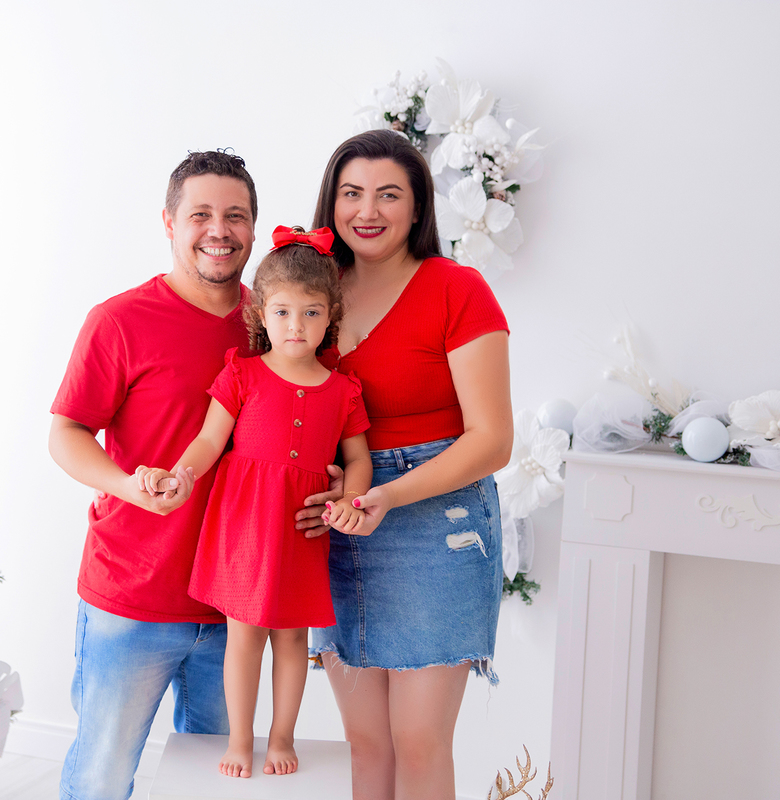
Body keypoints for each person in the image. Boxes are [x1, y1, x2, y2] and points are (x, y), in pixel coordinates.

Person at [299, 129, 514, 800]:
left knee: (419, 742)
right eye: (352, 193)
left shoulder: (457, 288)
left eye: (389, 195)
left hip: (437, 523)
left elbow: (492, 440)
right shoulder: (311, 291)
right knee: (366, 742)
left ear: (418, 206)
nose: (368, 210)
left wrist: (388, 495)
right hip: (337, 520)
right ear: (331, 203)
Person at [48, 150, 258, 800]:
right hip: (131, 597)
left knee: (218, 785)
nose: (219, 230)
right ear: (169, 222)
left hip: (236, 606)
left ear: (253, 227)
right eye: (200, 214)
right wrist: (126, 485)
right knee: (102, 778)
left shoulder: (277, 323)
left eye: (235, 215)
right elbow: (66, 433)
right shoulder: (119, 321)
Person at [137, 225, 373, 780]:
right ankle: (240, 739)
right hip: (244, 525)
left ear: (331, 316)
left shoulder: (343, 390)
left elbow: (358, 460)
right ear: (262, 314)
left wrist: (352, 498)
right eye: (284, 312)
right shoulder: (241, 373)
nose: (297, 326)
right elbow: (208, 441)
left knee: (292, 638)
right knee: (243, 635)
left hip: (301, 528)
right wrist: (181, 474)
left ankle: (282, 737)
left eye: (312, 313)